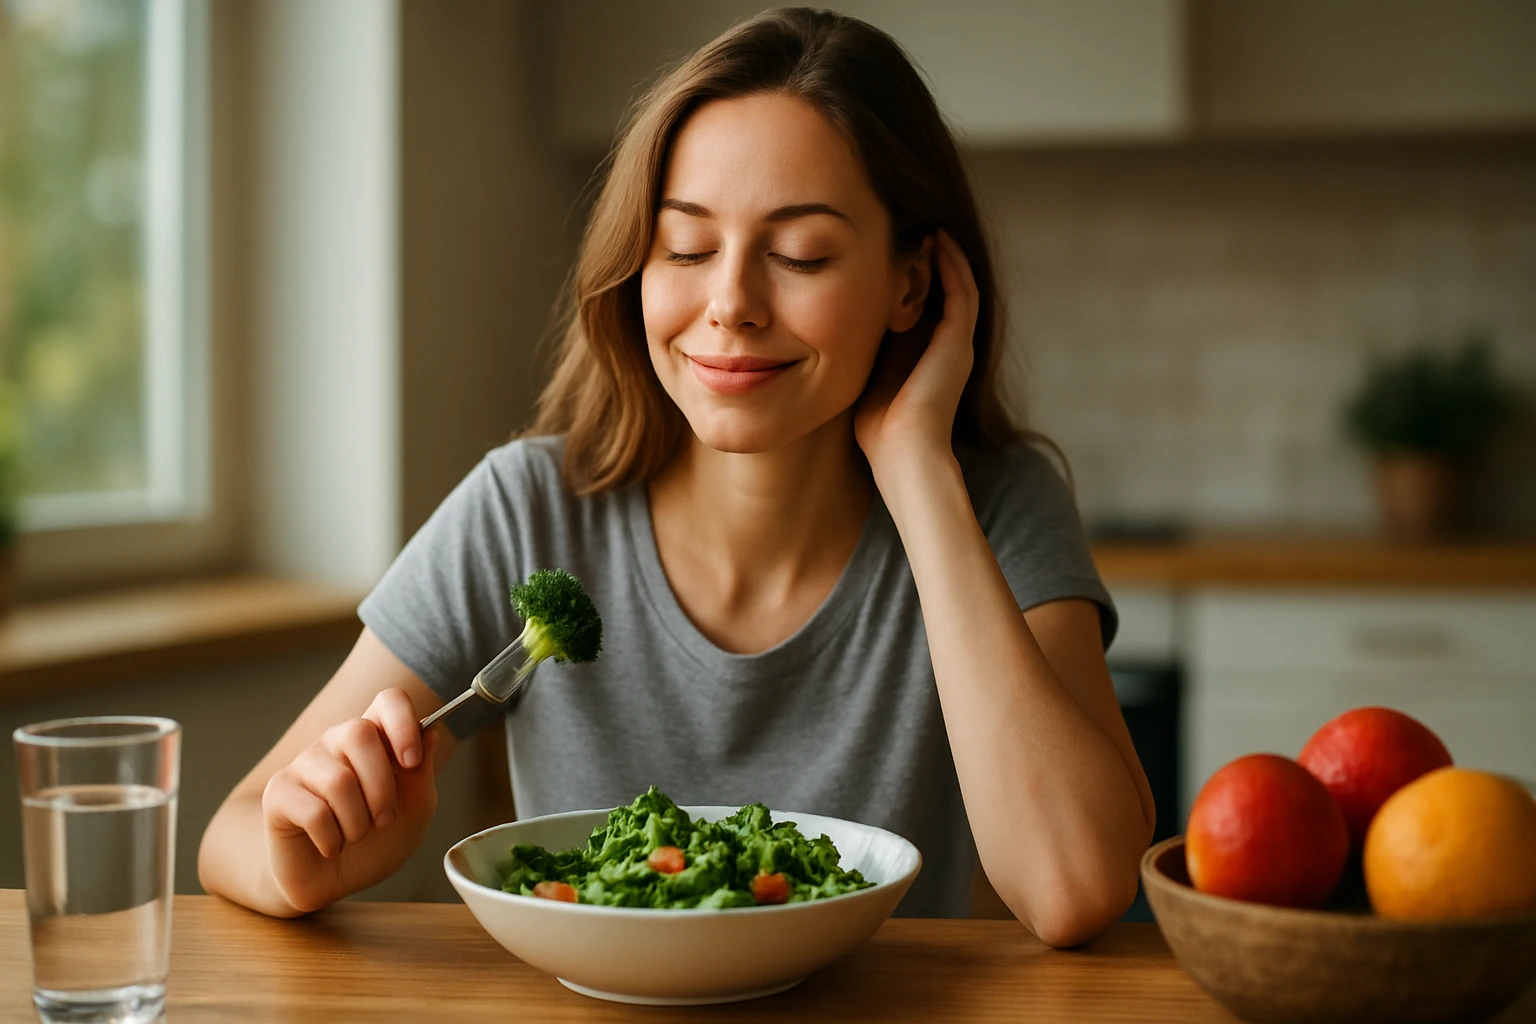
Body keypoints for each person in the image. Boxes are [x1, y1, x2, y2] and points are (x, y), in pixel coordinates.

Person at [199, 8, 1154, 946]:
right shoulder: (526, 511)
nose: (730, 303)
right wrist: (302, 854)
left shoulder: (994, 504)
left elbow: (1075, 886)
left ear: (912, 285)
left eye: (800, 254)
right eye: (686, 247)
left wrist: (917, 469)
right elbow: (236, 830)